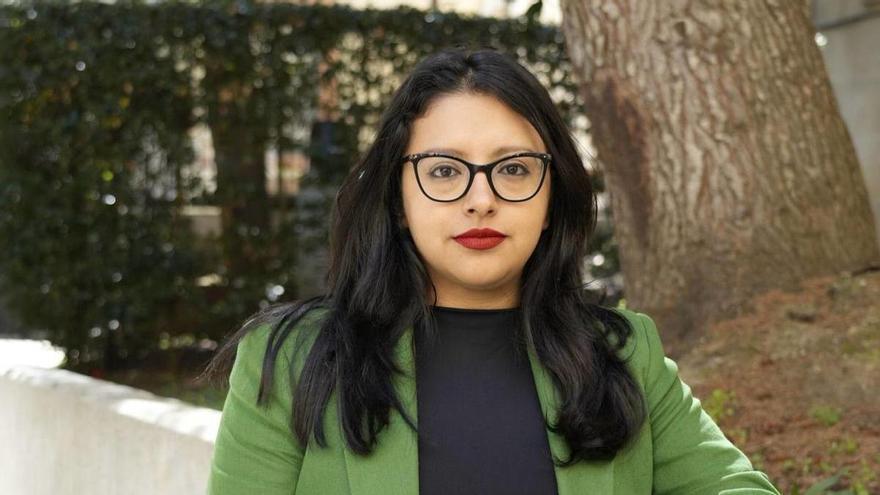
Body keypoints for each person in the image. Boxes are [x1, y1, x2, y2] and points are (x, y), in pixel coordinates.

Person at [202, 46, 781, 495]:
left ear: (551, 196)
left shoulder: (623, 355)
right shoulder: (291, 362)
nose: (481, 199)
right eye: (446, 170)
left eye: (514, 168)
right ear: (398, 198)